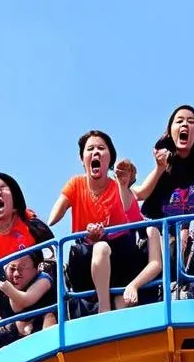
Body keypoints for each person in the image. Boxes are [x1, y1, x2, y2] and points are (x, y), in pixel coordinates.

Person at [129, 105, 194, 304]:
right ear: (171, 130)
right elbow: (140, 193)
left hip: (191, 234)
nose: (185, 124)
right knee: (164, 244)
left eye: (191, 121)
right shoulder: (165, 164)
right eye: (179, 120)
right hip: (160, 234)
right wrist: (153, 170)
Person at [47, 131, 149, 312]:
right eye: (90, 149)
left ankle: (118, 315)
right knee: (98, 248)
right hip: (85, 258)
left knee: (105, 251)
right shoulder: (75, 184)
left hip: (121, 255)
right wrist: (51, 221)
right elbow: (56, 214)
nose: (96, 152)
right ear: (82, 159)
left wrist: (124, 185)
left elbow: (129, 208)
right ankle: (104, 308)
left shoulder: (118, 185)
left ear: (110, 159)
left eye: (101, 148)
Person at [0, 249, 56, 353]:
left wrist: (8, 288)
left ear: (36, 269)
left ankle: (50, 354)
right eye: (12, 268)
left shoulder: (43, 278)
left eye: (22, 268)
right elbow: (14, 307)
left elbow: (25, 300)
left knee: (49, 316)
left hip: (45, 324)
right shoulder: (2, 284)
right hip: (20, 331)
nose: (16, 274)